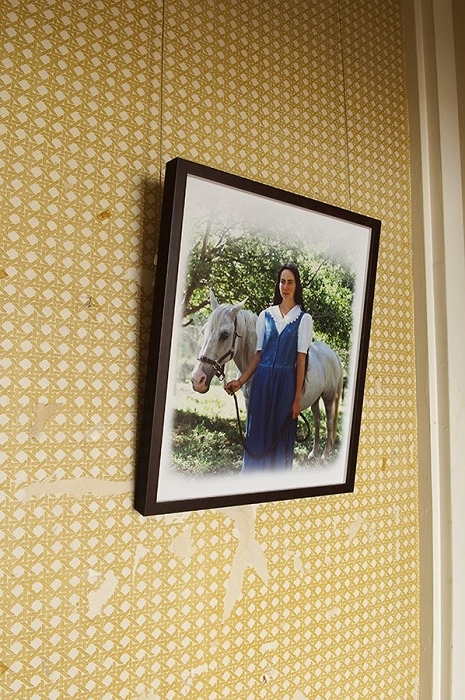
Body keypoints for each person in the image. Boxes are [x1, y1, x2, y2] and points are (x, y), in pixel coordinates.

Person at [224, 263, 313, 470]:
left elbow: (301, 361)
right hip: (262, 382)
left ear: (296, 286)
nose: (286, 286)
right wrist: (240, 381)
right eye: (282, 281)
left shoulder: (304, 319)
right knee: (256, 433)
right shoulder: (266, 315)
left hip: (286, 385)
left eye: (290, 282)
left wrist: (297, 398)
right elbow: (258, 355)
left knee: (279, 441)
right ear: (278, 285)